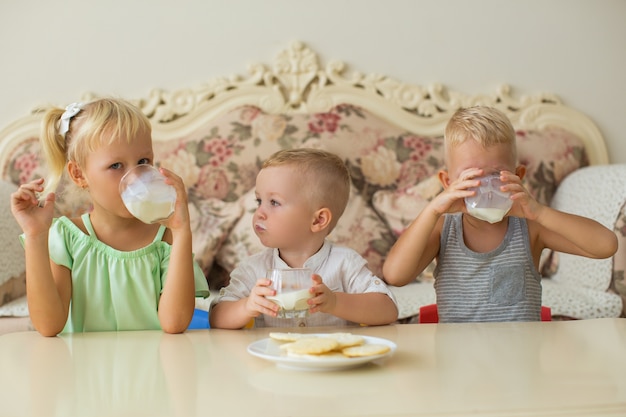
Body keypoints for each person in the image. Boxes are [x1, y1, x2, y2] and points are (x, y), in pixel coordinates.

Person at [382, 106, 618, 322]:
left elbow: (606, 245)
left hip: (518, 358)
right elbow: (395, 275)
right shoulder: (444, 228)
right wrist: (433, 210)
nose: (486, 187)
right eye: (472, 177)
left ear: (518, 176)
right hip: (459, 359)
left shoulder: (531, 227)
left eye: (496, 175)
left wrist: (540, 213)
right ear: (448, 182)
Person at [10, 98, 209, 336]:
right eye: (116, 166)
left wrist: (182, 230)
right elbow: (48, 325)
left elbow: (175, 324)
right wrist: (35, 237)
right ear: (79, 174)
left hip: (153, 369)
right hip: (87, 370)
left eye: (143, 162)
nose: (135, 177)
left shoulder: (165, 238)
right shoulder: (67, 239)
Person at [209, 148, 398, 329]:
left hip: (332, 357)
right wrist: (247, 306)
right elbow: (217, 317)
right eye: (259, 201)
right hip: (274, 359)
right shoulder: (253, 269)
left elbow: (387, 309)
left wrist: (335, 302)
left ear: (318, 220)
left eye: (274, 202)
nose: (259, 213)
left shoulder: (345, 263)